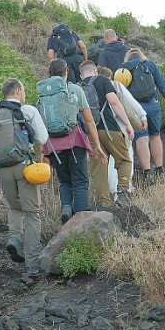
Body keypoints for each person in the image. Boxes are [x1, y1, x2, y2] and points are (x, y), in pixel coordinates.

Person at [0, 78, 49, 280]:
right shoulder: (28, 110)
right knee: (32, 213)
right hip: (24, 166)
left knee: (14, 208)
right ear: (17, 91)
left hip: (2, 168)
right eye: (23, 91)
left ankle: (14, 239)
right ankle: (32, 264)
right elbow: (42, 138)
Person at [41, 59, 107, 223]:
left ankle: (66, 207)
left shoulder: (43, 93)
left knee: (65, 180)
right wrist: (97, 145)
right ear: (66, 72)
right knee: (80, 180)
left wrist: (43, 151)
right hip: (75, 141)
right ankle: (80, 221)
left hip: (54, 145)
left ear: (49, 73)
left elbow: (42, 124)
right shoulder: (75, 90)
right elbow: (89, 120)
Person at [79, 61, 134, 207]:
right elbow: (114, 102)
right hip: (109, 128)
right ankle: (122, 191)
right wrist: (128, 124)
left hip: (90, 134)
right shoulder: (102, 80)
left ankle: (104, 203)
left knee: (99, 168)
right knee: (124, 160)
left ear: (81, 75)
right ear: (95, 71)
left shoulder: (77, 88)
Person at [119, 47, 165, 183]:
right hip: (153, 105)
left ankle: (147, 173)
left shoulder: (123, 68)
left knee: (141, 138)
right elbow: (162, 85)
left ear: (127, 57)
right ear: (141, 56)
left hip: (136, 108)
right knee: (155, 136)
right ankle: (160, 169)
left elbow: (119, 91)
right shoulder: (150, 65)